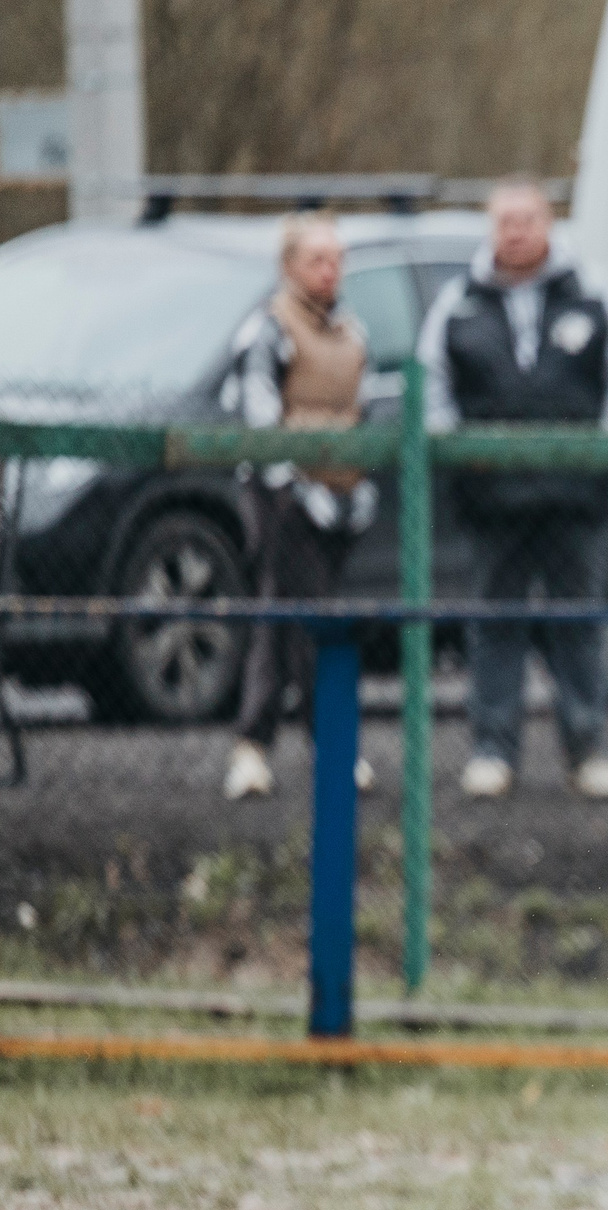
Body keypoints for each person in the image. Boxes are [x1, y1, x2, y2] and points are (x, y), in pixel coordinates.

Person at [418, 176, 608, 801]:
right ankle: (493, 751)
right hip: (492, 501)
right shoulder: (458, 304)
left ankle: (588, 750)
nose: (516, 232)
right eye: (505, 221)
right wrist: (459, 454)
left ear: (549, 223)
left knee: (579, 623)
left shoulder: (595, 294)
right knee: (495, 624)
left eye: (527, 219)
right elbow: (431, 384)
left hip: (575, 500)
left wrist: (604, 451)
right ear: (491, 228)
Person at [221, 213, 377, 801]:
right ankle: (319, 745)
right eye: (317, 259)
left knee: (287, 616)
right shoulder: (267, 328)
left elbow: (361, 411)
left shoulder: (352, 332)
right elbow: (258, 416)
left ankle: (257, 748)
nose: (329, 270)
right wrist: (293, 487)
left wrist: (352, 486)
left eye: (336, 259)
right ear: (288, 267)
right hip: (282, 498)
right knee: (303, 617)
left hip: (339, 496)